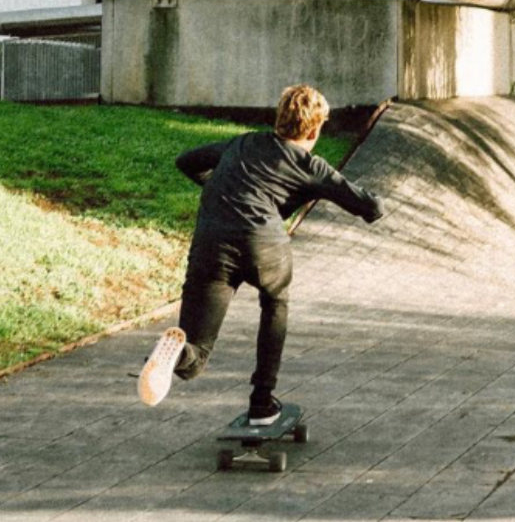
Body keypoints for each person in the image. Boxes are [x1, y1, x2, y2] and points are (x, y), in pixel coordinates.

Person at [137, 84, 383, 425]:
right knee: (275, 303)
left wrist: (225, 189)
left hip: (212, 241)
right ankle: (262, 402)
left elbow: (187, 161)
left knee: (197, 355)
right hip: (262, 245)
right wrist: (327, 193)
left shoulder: (243, 143)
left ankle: (177, 353)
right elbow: (370, 205)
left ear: (279, 118)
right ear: (314, 128)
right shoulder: (312, 166)